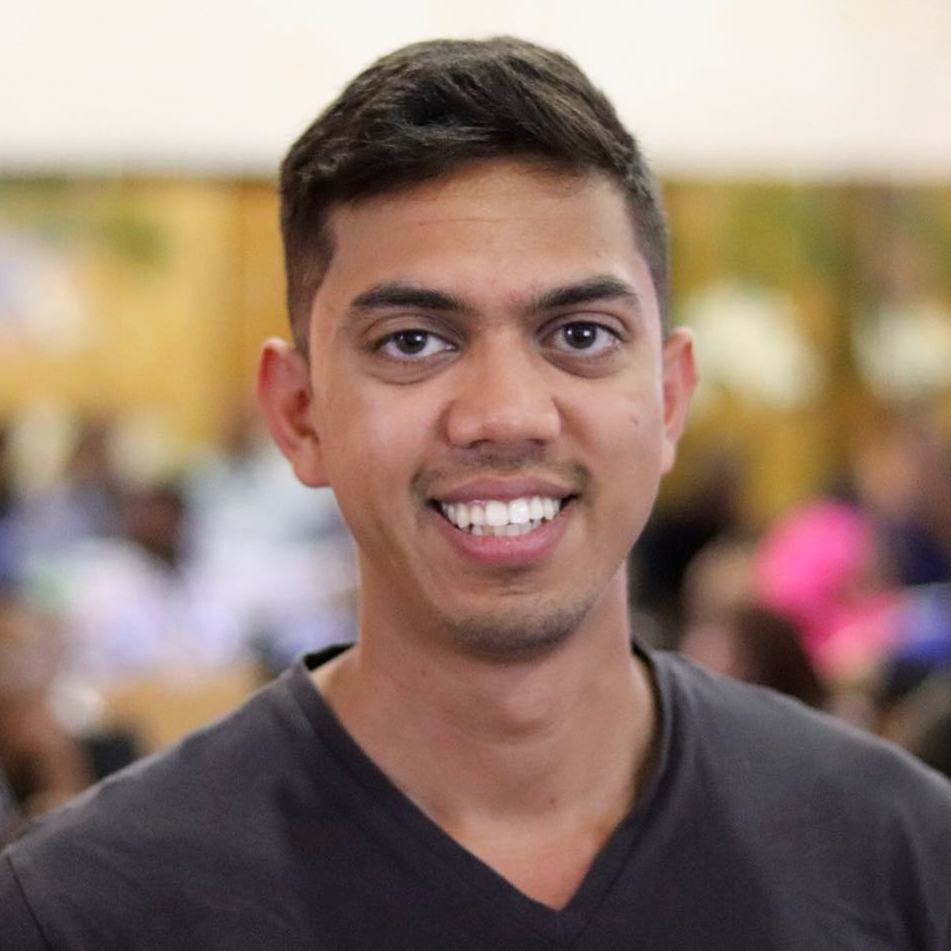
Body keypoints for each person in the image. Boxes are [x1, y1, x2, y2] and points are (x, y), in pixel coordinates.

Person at [1, 37, 950, 950]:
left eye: (579, 334)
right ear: (298, 412)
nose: (505, 415)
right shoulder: (85, 910)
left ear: (668, 398)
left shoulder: (901, 855)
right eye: (413, 341)